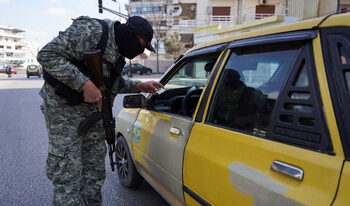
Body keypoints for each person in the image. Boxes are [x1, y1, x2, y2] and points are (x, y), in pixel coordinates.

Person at [37, 16, 163, 206]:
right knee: (67, 173)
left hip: (96, 113)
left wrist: (139, 86)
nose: (139, 51)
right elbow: (47, 55)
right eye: (142, 45)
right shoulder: (93, 30)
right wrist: (83, 83)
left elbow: (109, 83)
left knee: (94, 173)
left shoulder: (119, 51)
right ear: (131, 34)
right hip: (64, 111)